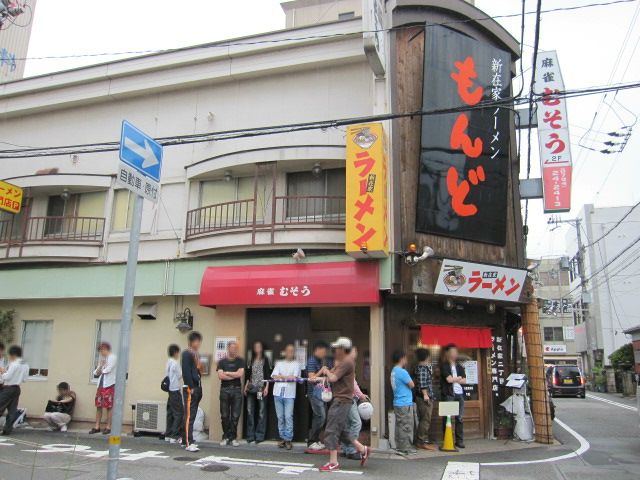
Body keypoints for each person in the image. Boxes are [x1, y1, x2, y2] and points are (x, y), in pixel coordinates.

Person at [316, 337, 369, 472]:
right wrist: (320, 376)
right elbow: (332, 376)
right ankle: (362, 449)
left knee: (331, 429)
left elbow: (333, 377)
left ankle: (333, 462)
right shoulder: (343, 362)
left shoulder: (347, 362)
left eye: (337, 348)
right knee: (342, 431)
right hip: (341, 400)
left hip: (341, 400)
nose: (335, 350)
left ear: (343, 349)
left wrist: (326, 371)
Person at [340, 347, 369, 461]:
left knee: (346, 425)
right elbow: (352, 383)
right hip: (348, 398)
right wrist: (361, 395)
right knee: (356, 423)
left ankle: (346, 449)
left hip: (342, 399)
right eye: (354, 351)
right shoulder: (348, 363)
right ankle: (351, 450)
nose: (356, 353)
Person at [271, 343, 301, 450]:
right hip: (277, 392)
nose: (290, 353)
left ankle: (288, 439)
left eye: (292, 351)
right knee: (280, 417)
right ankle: (282, 438)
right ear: (285, 351)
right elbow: (274, 376)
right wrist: (285, 377)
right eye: (288, 350)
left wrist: (282, 376)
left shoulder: (296, 364)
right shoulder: (279, 363)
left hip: (289, 394)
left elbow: (294, 377)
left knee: (288, 416)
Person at [216, 341, 245, 447]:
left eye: (235, 348)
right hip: (225, 390)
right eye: (232, 348)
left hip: (237, 390)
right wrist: (233, 375)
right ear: (228, 348)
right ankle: (225, 436)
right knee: (224, 415)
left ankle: (233, 437)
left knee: (235, 415)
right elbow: (220, 376)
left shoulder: (240, 361)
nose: (234, 350)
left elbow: (240, 374)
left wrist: (227, 373)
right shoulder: (222, 361)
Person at [306, 341, 333, 450]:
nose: (324, 353)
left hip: (323, 393)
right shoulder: (312, 360)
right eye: (323, 351)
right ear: (317, 350)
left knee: (322, 417)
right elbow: (311, 378)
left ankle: (316, 440)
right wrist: (322, 370)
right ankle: (311, 441)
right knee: (320, 416)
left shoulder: (323, 360)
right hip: (314, 394)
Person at [440, 344, 467, 449]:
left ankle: (459, 441)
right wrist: (459, 378)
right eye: (452, 351)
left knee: (460, 418)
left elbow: (465, 380)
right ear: (447, 353)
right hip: (449, 394)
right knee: (447, 418)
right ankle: (447, 440)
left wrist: (456, 378)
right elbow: (449, 380)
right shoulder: (444, 366)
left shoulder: (459, 366)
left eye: (456, 351)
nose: (455, 354)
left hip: (459, 394)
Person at [244, 340, 270, 444]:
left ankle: (259, 435)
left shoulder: (265, 359)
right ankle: (250, 435)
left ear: (262, 348)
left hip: (260, 389)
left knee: (261, 412)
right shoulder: (251, 359)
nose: (257, 348)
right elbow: (248, 374)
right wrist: (245, 387)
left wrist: (267, 387)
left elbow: (268, 374)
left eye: (259, 346)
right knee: (250, 411)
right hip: (251, 388)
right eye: (255, 347)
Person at [391, 350, 415, 455]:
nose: (406, 360)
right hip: (404, 402)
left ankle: (401, 447)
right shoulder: (402, 371)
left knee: (400, 426)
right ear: (401, 358)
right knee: (406, 426)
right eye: (405, 357)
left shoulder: (393, 371)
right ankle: (405, 448)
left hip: (398, 401)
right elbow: (412, 384)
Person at [182, 331, 203, 452]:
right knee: (189, 415)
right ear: (191, 341)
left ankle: (187, 438)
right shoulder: (187, 354)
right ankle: (187, 442)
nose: (198, 343)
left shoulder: (195, 354)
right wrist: (192, 386)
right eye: (197, 341)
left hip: (196, 386)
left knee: (191, 414)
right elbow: (186, 372)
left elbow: (197, 371)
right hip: (190, 388)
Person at [90, 342, 116, 435]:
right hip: (100, 385)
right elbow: (96, 373)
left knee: (108, 406)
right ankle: (97, 426)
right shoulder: (102, 359)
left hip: (109, 384)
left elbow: (108, 370)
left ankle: (108, 426)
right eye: (100, 350)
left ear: (106, 349)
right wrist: (100, 366)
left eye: (101, 350)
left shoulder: (112, 357)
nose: (101, 352)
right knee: (98, 405)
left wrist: (101, 370)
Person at [0, 345, 26, 435]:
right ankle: (7, 430)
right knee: (12, 410)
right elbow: (24, 379)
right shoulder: (25, 365)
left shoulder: (14, 364)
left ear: (13, 355)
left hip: (8, 388)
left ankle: (6, 430)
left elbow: (7, 377)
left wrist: (3, 371)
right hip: (17, 388)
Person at [414, 348, 436, 451]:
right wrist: (425, 395)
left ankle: (422, 440)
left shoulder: (423, 367)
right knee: (425, 420)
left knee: (425, 419)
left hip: (422, 397)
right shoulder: (422, 368)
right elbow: (423, 384)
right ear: (427, 356)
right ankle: (420, 442)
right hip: (424, 398)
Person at [164, 344, 183, 444]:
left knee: (170, 412)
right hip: (175, 389)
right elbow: (180, 375)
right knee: (179, 413)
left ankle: (168, 434)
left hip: (170, 390)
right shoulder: (175, 363)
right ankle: (175, 436)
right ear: (176, 352)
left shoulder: (168, 362)